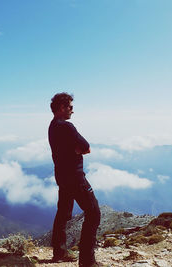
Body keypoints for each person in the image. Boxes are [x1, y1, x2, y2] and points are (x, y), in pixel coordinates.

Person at [48, 92, 101, 267]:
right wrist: (77, 150)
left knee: (63, 213)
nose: (72, 111)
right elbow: (86, 147)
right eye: (70, 107)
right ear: (62, 108)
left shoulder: (52, 126)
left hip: (61, 176)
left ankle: (60, 252)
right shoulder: (67, 127)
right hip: (75, 177)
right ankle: (87, 261)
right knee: (93, 213)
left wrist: (75, 149)